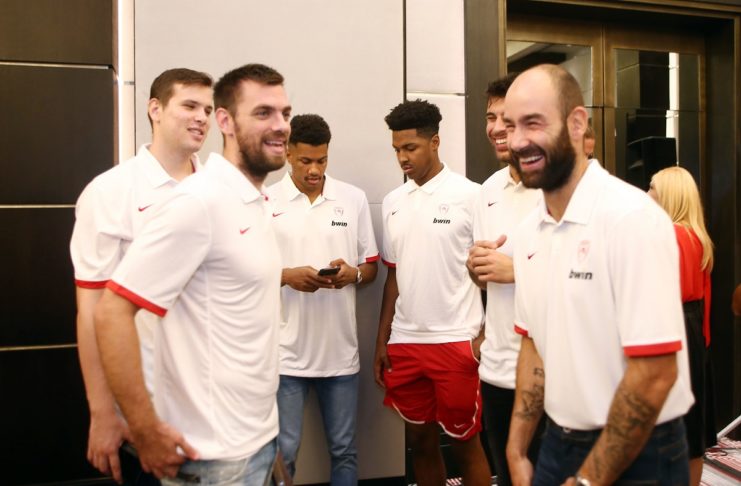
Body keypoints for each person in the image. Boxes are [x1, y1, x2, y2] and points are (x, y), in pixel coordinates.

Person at [93, 63, 291, 485]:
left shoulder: (254, 200)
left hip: (256, 441)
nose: (280, 126)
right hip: (212, 459)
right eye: (263, 113)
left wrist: (268, 441)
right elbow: (111, 312)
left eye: (285, 113)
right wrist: (143, 429)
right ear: (226, 121)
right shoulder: (198, 203)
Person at [503, 64, 693, 486]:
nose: (516, 141)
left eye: (533, 123)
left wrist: (588, 480)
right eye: (510, 125)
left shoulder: (631, 218)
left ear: (576, 124)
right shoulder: (529, 231)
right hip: (556, 443)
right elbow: (533, 346)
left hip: (644, 454)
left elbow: (655, 373)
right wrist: (516, 450)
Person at [70, 68, 213, 484]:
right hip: (149, 411)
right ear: (155, 109)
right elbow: (92, 311)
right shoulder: (110, 192)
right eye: (189, 105)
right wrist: (102, 413)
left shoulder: (223, 191)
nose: (201, 117)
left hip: (222, 411)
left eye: (208, 109)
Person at [374, 99, 491, 486]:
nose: (402, 158)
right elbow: (393, 276)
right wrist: (383, 341)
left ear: (435, 142)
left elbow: (493, 271)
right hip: (406, 343)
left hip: (456, 341)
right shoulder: (393, 202)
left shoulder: (471, 196)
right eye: (396, 150)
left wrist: (485, 336)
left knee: (465, 445)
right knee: (419, 444)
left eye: (410, 148)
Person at [267, 113, 379, 485]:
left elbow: (371, 268)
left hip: (340, 354)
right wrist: (286, 276)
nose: (315, 170)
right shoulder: (265, 201)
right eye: (305, 161)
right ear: (287, 153)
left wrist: (353, 275)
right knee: (284, 454)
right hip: (286, 355)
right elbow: (247, 274)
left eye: (322, 160)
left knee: (344, 451)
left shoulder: (353, 198)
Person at [466, 74, 543, 486]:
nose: (495, 128)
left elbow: (585, 279)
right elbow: (486, 278)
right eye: (490, 117)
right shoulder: (488, 190)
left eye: (506, 118)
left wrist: (515, 271)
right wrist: (476, 269)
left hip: (549, 369)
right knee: (508, 474)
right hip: (496, 367)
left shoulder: (556, 188)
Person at [649, 166, 717, 486]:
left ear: (669, 196)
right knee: (692, 433)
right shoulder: (698, 237)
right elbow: (704, 302)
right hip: (693, 336)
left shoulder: (669, 236)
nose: (647, 194)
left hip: (672, 334)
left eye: (652, 188)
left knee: (667, 431)